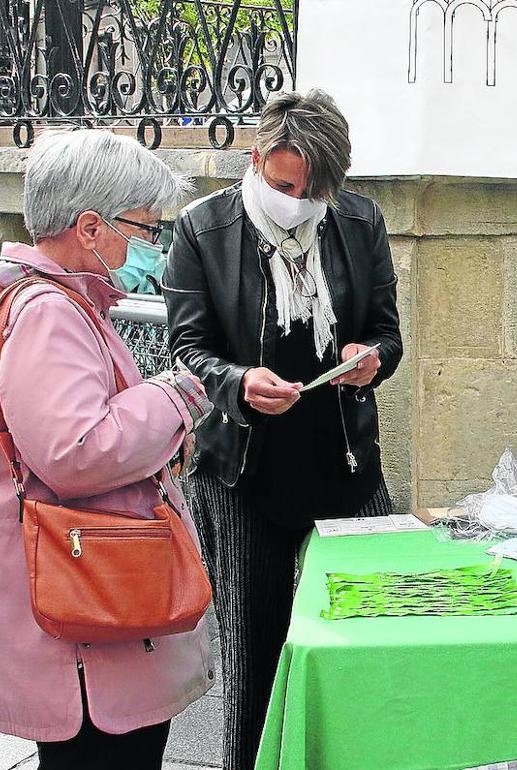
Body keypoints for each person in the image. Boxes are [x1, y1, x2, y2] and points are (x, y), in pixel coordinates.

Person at [164, 89, 403, 770]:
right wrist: (238, 382)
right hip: (244, 473)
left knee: (368, 642)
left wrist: (371, 359)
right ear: (256, 157)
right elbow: (184, 351)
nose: (299, 201)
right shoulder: (203, 230)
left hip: (346, 466)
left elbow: (388, 333)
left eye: (316, 190)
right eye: (284, 184)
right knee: (256, 660)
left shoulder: (359, 220)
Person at [0, 129, 213, 769]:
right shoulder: (49, 312)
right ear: (90, 227)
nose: (149, 247)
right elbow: (75, 451)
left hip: (90, 613)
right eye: (143, 230)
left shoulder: (53, 302)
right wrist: (177, 398)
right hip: (88, 624)